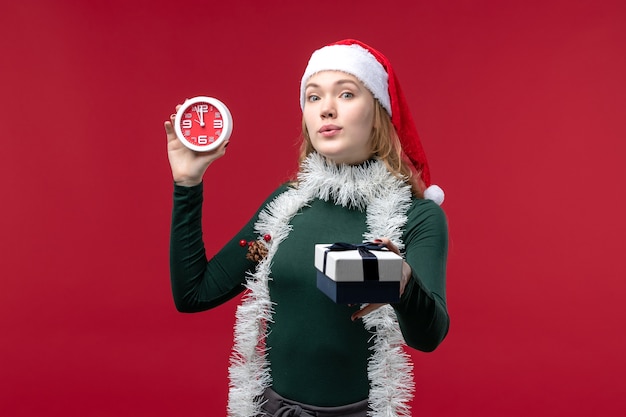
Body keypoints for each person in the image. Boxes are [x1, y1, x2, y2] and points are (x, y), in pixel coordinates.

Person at [164, 39, 449, 417]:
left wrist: (403, 282)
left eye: (346, 94)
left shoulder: (417, 215)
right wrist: (187, 185)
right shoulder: (286, 205)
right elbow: (194, 294)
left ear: (379, 111)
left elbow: (428, 336)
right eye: (313, 98)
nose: (326, 109)